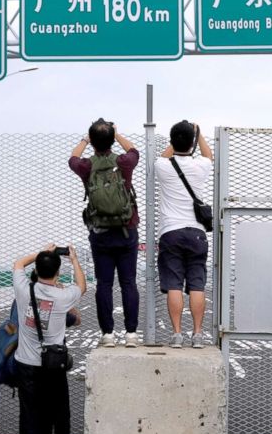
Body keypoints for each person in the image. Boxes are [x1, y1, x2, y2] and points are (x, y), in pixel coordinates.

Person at [12, 245, 86, 434]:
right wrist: (73, 260)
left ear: (36, 268)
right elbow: (82, 286)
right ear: (58, 271)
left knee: (30, 414)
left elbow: (17, 265)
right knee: (60, 413)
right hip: (54, 363)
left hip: (27, 363)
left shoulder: (24, 289)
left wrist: (42, 251)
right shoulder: (64, 296)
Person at [69, 118, 140, 348]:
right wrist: (117, 133)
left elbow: (72, 158)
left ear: (92, 142)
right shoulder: (124, 162)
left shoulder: (87, 166)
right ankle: (130, 334)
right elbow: (133, 150)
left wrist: (85, 139)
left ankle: (107, 334)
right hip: (126, 231)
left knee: (104, 284)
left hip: (100, 234)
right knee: (128, 282)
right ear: (111, 140)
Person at [154, 120, 213, 349]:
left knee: (174, 286)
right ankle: (197, 335)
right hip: (197, 232)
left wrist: (177, 138)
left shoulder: (162, 165)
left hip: (171, 232)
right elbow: (209, 155)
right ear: (192, 143)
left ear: (172, 140)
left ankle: (177, 334)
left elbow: (164, 154)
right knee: (197, 285)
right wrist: (199, 133)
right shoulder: (200, 166)